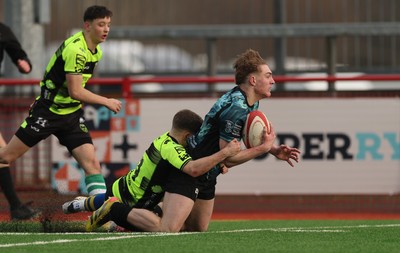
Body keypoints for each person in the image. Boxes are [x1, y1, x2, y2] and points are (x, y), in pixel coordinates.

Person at [83, 49, 300, 233]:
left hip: (209, 173)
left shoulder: (249, 102)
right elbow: (230, 157)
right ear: (253, 80)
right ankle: (114, 209)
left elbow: (226, 155)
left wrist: (272, 150)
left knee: (197, 228)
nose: (273, 80)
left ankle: (150, 213)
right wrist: (262, 148)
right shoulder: (238, 108)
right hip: (192, 170)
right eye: (268, 75)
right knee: (167, 230)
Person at [0, 5, 121, 196]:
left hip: (71, 116)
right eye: (101, 24)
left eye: (108, 25)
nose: (106, 29)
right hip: (48, 113)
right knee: (5, 157)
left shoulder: (96, 52)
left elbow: (75, 89)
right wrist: (105, 101)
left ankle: (101, 218)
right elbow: (75, 91)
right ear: (87, 26)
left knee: (92, 164)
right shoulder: (76, 50)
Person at [61, 109, 240, 232]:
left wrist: (216, 164)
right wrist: (225, 153)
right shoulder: (172, 149)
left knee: (104, 198)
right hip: (136, 201)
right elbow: (193, 168)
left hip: (123, 187)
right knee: (158, 221)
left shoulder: (166, 140)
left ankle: (79, 204)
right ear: (187, 136)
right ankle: (113, 213)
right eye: (194, 138)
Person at [0, 22, 39, 220]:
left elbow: (19, 56)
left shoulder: (3, 30)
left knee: (2, 154)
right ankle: (15, 207)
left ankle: (16, 207)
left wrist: (23, 62)